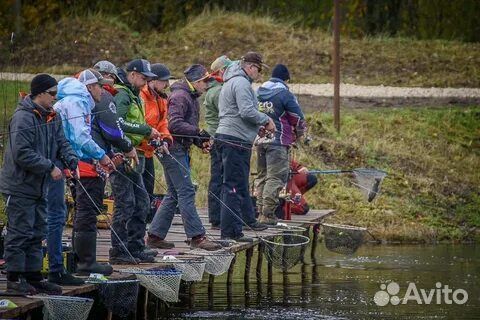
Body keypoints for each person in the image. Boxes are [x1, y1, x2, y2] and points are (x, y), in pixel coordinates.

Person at [0, 74, 78, 295]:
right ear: (40, 93)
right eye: (52, 94)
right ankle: (14, 280)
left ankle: (33, 277)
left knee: (38, 230)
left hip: (39, 185)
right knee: (20, 231)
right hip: (19, 185)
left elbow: (62, 143)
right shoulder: (23, 118)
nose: (56, 98)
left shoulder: (53, 117)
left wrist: (72, 161)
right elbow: (22, 153)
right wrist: (49, 167)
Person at [147, 64, 221, 251]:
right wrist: (199, 133)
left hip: (178, 147)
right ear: (195, 82)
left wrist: (199, 141)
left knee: (174, 193)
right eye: (206, 81)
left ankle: (155, 235)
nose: (208, 85)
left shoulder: (190, 96)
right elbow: (174, 124)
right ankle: (197, 237)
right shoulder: (181, 96)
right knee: (186, 191)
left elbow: (184, 128)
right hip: (172, 148)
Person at [54, 69, 118, 276]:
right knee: (86, 210)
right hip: (68, 161)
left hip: (71, 160)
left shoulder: (77, 100)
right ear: (89, 87)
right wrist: (101, 155)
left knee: (82, 209)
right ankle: (86, 263)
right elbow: (80, 137)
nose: (104, 88)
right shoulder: (77, 101)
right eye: (100, 85)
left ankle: (79, 260)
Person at [216, 52, 274, 242]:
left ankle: (238, 228)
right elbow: (246, 111)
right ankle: (229, 232)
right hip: (234, 140)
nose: (258, 74)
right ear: (250, 67)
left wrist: (256, 129)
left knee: (238, 185)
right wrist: (266, 120)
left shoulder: (232, 81)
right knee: (231, 186)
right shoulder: (241, 83)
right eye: (258, 70)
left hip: (234, 137)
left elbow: (238, 113)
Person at [109, 59, 161, 264]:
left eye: (148, 79)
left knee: (142, 201)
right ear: (132, 74)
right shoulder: (122, 94)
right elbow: (118, 122)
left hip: (135, 153)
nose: (146, 81)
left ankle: (136, 245)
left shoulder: (134, 94)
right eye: (143, 77)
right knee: (125, 203)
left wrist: (149, 135)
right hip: (122, 154)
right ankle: (118, 251)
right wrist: (146, 130)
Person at [255, 64, 307, 225]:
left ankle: (259, 212)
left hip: (260, 140)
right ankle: (268, 214)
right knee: (276, 177)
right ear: (286, 79)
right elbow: (298, 119)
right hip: (278, 142)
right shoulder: (284, 94)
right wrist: (299, 134)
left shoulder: (259, 93)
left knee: (262, 176)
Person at [138, 63, 173, 222]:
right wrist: (150, 138)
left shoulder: (161, 98)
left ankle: (143, 231)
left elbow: (163, 123)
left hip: (150, 152)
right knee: (139, 194)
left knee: (148, 191)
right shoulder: (141, 96)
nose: (166, 85)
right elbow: (141, 123)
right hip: (137, 151)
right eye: (163, 81)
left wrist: (165, 139)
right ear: (153, 80)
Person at [203, 55, 232, 229]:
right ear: (221, 71)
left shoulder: (213, 89)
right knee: (219, 178)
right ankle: (217, 218)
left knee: (217, 177)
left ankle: (216, 217)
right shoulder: (220, 91)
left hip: (214, 137)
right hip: (219, 138)